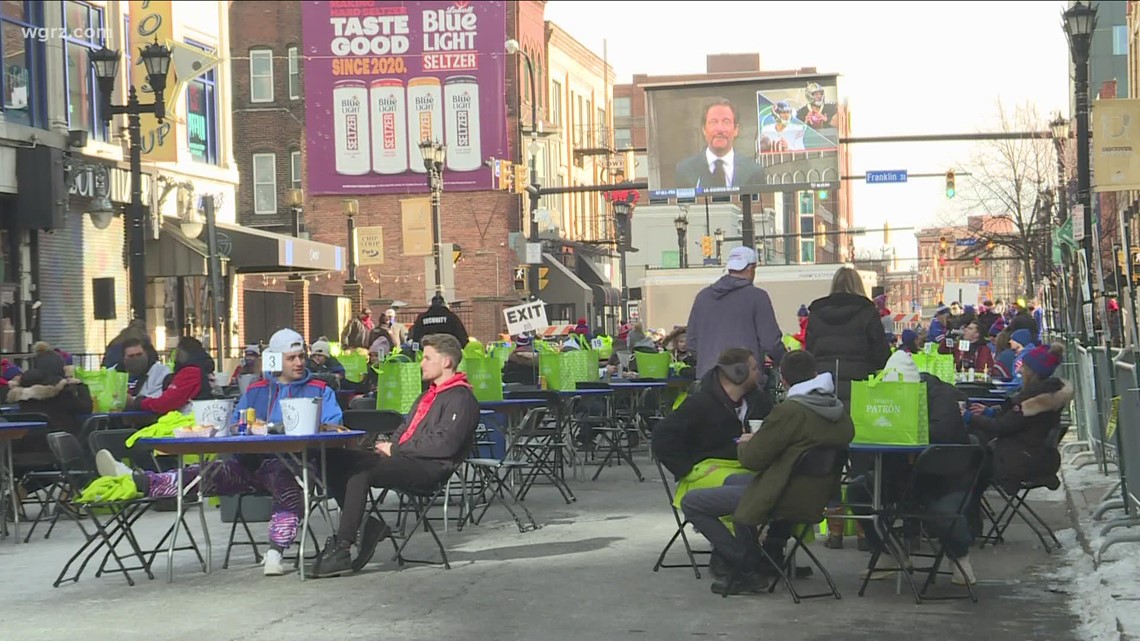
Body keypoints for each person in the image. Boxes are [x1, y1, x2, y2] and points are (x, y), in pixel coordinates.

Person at [96, 328, 344, 577]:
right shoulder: (256, 390)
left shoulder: (321, 389)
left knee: (288, 486)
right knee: (201, 474)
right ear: (275, 359)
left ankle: (275, 553)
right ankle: (134, 479)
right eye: (291, 358)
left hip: (295, 466)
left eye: (301, 356)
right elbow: (236, 424)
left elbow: (337, 427)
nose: (300, 362)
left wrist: (311, 426)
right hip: (249, 464)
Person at [679, 351, 854, 595]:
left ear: (783, 381)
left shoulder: (790, 412)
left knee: (692, 502)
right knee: (733, 479)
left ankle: (747, 563)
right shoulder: (839, 414)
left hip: (783, 495)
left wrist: (747, 442)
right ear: (815, 376)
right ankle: (760, 556)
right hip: (815, 493)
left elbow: (753, 459)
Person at [312, 333, 479, 578]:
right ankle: (367, 525)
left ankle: (343, 547)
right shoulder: (427, 395)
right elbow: (405, 429)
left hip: (429, 468)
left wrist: (396, 449)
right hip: (404, 459)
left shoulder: (461, 398)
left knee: (361, 471)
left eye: (428, 358)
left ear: (446, 362)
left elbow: (445, 445)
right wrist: (386, 445)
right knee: (332, 459)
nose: (421, 363)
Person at [965, 344, 1073, 494]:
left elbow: (1001, 427)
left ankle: (969, 512)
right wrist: (989, 412)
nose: (1019, 370)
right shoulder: (1048, 395)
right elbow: (1015, 421)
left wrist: (969, 417)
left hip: (1019, 461)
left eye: (1023, 367)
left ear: (1032, 372)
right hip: (1034, 455)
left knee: (971, 463)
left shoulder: (1032, 402)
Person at [686, 246, 785, 381]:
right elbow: (770, 343)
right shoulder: (757, 297)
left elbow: (691, 343)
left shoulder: (702, 297)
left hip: (708, 379)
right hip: (745, 379)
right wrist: (785, 361)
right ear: (751, 268)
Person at [803, 266, 891, 406]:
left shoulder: (817, 313)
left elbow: (809, 352)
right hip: (859, 387)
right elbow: (881, 355)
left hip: (824, 388)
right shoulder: (867, 312)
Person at [674, 98, 765, 191]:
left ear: (736, 130)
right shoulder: (685, 170)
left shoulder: (754, 172)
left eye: (726, 122)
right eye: (713, 122)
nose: (720, 129)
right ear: (704, 129)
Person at [124, 336, 214, 414]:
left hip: (185, 423)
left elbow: (166, 403)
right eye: (131, 356)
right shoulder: (201, 370)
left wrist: (136, 402)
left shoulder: (191, 372)